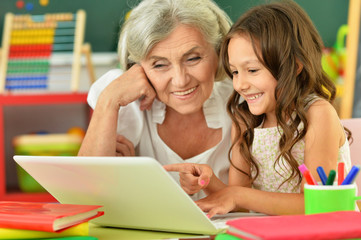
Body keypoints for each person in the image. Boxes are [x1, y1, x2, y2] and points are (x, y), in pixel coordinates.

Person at [165, 0, 352, 216]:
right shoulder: (245, 120)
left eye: (252, 70)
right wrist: (209, 180)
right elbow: (242, 203)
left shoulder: (318, 114)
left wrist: (236, 195)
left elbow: (314, 206)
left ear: (295, 65)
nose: (240, 85)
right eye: (235, 72)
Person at [77, 0, 234, 200]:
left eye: (193, 58)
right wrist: (109, 100)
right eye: (160, 65)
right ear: (138, 68)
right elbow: (85, 196)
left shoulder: (241, 100)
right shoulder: (130, 106)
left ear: (219, 53)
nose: (180, 80)